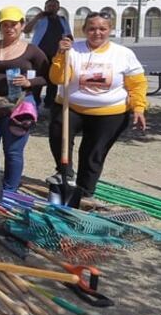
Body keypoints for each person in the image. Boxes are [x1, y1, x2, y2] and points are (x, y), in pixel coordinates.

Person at [49, 11, 148, 207]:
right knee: (58, 137)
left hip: (109, 112)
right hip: (71, 107)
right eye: (92, 28)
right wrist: (60, 54)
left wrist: (138, 107)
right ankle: (65, 174)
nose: (97, 32)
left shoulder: (123, 54)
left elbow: (137, 84)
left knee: (93, 153)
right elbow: (58, 79)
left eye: (102, 28)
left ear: (110, 30)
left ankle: (85, 191)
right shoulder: (72, 50)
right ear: (84, 30)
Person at [0, 6, 50, 191]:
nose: (9, 28)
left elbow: (48, 77)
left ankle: (10, 189)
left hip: (19, 107)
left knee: (13, 152)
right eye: (5, 24)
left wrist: (31, 82)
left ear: (22, 25)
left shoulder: (32, 51)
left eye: (14, 24)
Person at [25, 0, 70, 107]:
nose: (51, 8)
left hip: (56, 55)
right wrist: (36, 18)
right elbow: (26, 30)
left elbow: (68, 36)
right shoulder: (40, 20)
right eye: (49, 6)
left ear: (58, 8)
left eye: (54, 6)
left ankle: (49, 104)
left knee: (53, 81)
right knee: (36, 80)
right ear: (45, 8)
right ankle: (33, 104)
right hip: (39, 55)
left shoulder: (63, 20)